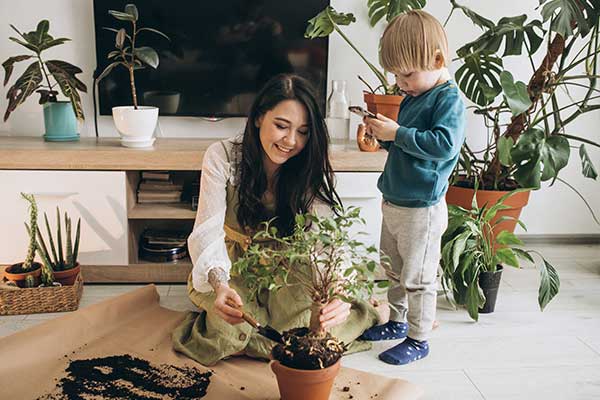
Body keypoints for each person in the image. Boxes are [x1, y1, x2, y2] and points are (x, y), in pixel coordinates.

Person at [172, 74, 379, 366]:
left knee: (306, 330)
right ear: (258, 118)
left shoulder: (308, 165)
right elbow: (207, 231)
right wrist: (220, 287)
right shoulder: (221, 156)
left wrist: (338, 292)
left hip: (290, 264)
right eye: (281, 126)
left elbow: (325, 240)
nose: (291, 141)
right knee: (233, 330)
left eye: (303, 132)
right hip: (236, 263)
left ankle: (364, 310)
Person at [361, 10, 466, 365]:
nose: (401, 82)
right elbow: (407, 147)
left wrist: (398, 134)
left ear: (437, 60)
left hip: (421, 207)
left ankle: (419, 338)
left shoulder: (447, 99)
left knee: (418, 276)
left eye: (407, 74)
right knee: (391, 267)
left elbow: (443, 145)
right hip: (395, 199)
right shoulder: (413, 96)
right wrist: (384, 136)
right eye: (396, 75)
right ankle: (397, 321)